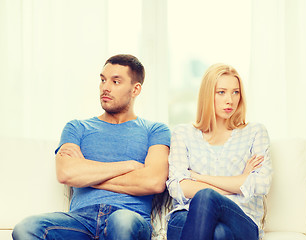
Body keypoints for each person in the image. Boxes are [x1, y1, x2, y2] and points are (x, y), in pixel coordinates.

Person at [12, 54, 171, 240]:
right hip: (80, 220)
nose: (105, 87)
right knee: (26, 228)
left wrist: (87, 174)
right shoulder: (77, 127)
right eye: (103, 80)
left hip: (128, 217)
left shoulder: (155, 130)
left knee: (121, 222)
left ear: (135, 89)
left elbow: (153, 182)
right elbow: (67, 174)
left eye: (116, 81)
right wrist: (128, 166)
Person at [166, 63, 272, 240]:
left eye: (235, 92)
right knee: (219, 234)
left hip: (240, 218)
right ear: (208, 95)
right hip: (186, 216)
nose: (230, 99)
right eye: (221, 92)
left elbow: (261, 184)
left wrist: (199, 178)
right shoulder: (182, 133)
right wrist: (238, 184)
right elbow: (179, 187)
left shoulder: (255, 132)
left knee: (207, 197)